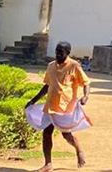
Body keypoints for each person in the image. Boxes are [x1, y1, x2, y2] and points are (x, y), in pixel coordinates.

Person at [25, 41, 91, 171]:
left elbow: (86, 83)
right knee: (46, 133)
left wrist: (85, 96)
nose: (58, 54)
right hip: (50, 106)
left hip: (65, 107)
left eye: (61, 52)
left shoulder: (74, 66)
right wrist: (33, 100)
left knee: (66, 135)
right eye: (56, 51)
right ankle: (48, 164)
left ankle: (78, 149)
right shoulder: (51, 66)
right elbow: (47, 86)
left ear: (68, 53)